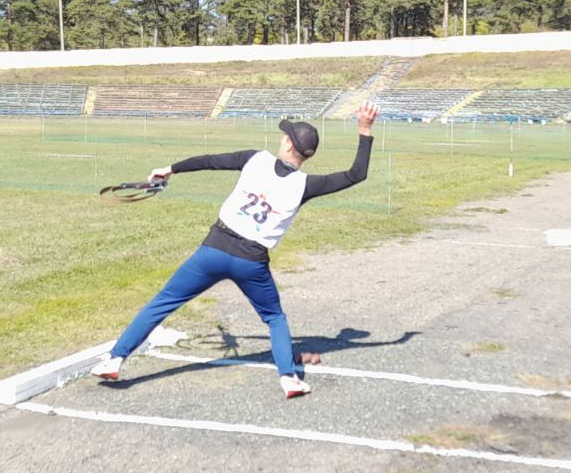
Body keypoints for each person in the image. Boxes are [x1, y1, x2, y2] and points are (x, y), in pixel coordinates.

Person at [91, 102, 381, 398]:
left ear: (288, 144)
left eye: (285, 136)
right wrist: (364, 128)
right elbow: (356, 174)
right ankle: (289, 379)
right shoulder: (306, 185)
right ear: (309, 154)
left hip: (214, 249)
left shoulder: (256, 159)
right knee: (274, 319)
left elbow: (211, 160)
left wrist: (171, 169)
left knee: (163, 302)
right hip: (251, 262)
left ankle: (115, 359)